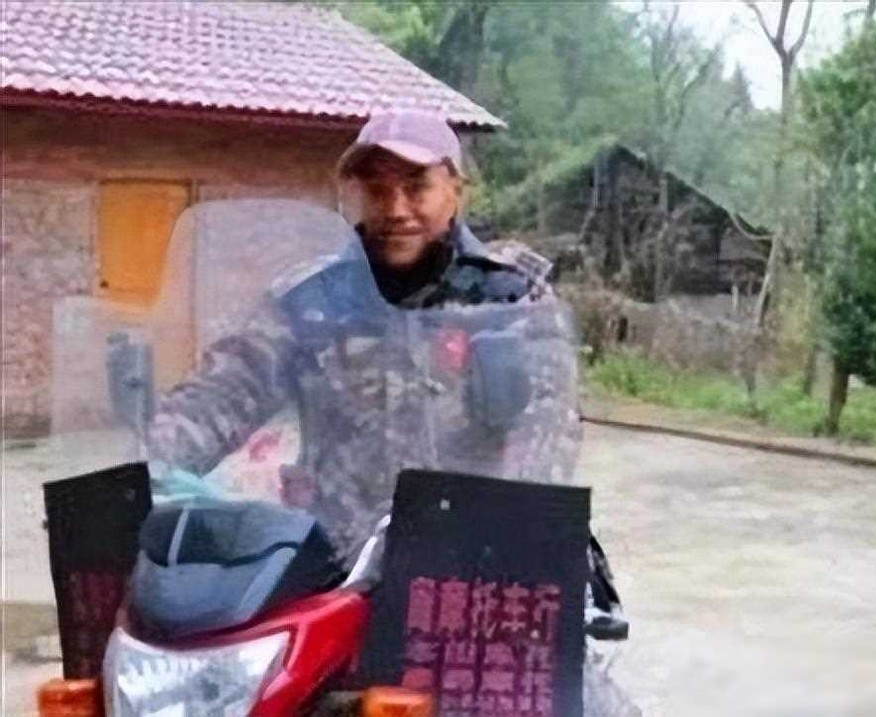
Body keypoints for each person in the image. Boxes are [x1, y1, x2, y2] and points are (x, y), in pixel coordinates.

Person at [144, 110, 625, 638]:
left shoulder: (512, 298)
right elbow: (224, 390)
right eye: (377, 190)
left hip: (466, 568)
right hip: (334, 569)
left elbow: (546, 435)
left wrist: (505, 536)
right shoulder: (311, 299)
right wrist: (147, 469)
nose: (396, 209)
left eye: (416, 187)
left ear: (456, 189)